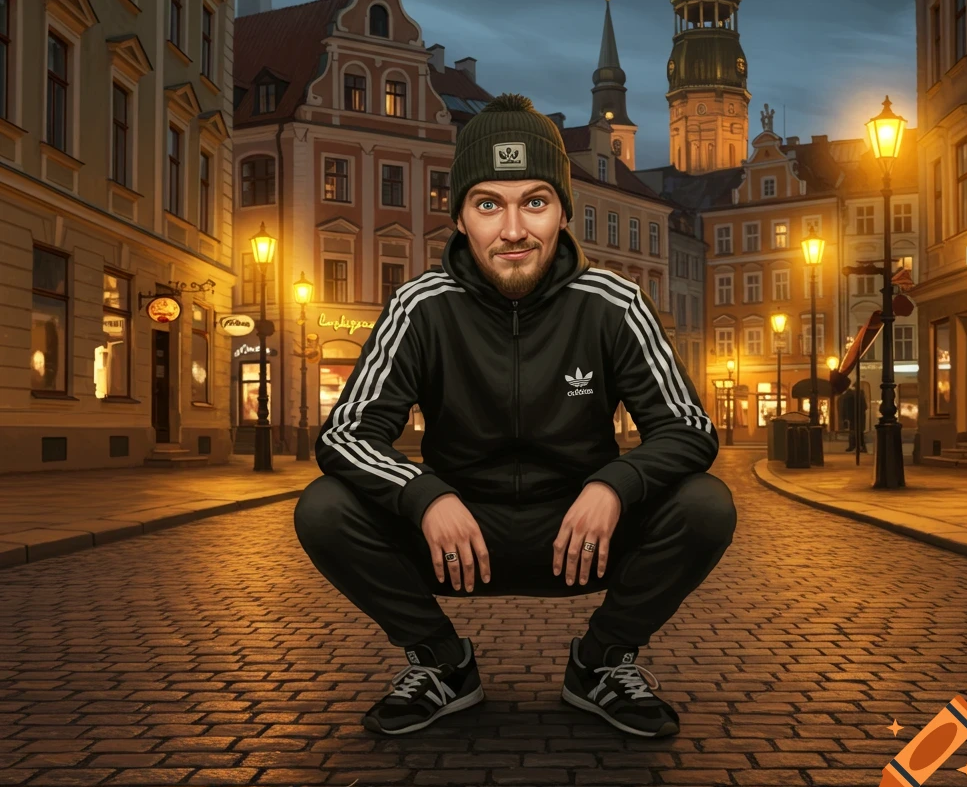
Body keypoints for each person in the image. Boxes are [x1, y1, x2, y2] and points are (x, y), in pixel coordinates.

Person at [294, 93, 736, 739]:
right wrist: (422, 495)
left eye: (534, 201)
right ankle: (443, 665)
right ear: (461, 219)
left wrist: (615, 485)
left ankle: (601, 662)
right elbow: (345, 434)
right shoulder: (421, 305)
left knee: (706, 505)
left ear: (563, 212)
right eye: (488, 205)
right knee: (324, 508)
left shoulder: (614, 302)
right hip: (459, 538)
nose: (512, 230)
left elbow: (689, 429)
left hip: (584, 538)